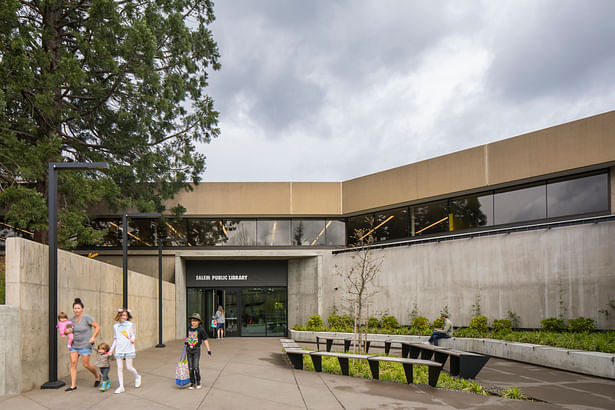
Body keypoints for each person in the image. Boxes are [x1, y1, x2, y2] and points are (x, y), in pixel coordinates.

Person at [64, 298, 101, 391]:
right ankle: (73, 385)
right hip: (74, 345)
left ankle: (97, 376)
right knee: (73, 364)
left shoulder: (87, 317)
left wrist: (93, 337)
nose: (76, 310)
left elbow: (97, 327)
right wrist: (65, 332)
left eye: (78, 308)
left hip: (85, 345)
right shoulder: (71, 320)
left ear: (82, 309)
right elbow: (67, 332)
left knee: (86, 364)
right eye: (75, 308)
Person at [108, 308, 141, 394]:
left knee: (129, 367)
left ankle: (137, 377)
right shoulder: (115, 326)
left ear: (127, 316)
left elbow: (133, 335)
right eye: (122, 315)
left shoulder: (130, 325)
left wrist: (132, 339)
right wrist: (111, 350)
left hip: (129, 348)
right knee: (119, 368)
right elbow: (115, 339)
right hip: (119, 349)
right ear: (119, 315)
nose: (123, 317)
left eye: (125, 315)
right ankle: (121, 386)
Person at [185, 313, 212, 390]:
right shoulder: (189, 328)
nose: (193, 322)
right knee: (190, 368)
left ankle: (198, 381)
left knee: (195, 367)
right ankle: (192, 382)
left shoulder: (201, 330)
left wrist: (208, 350)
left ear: (199, 322)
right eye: (192, 321)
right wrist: (187, 342)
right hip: (189, 350)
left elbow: (205, 340)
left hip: (196, 350)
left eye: (195, 321)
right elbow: (189, 337)